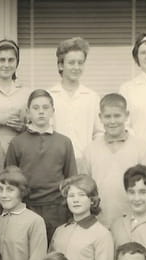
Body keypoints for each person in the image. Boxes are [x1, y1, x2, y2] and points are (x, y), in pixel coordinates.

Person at [5, 89, 77, 243]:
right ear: (28, 112)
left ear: (52, 111)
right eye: (36, 108)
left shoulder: (64, 142)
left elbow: (71, 180)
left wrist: (70, 212)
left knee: (55, 250)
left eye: (45, 107)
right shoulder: (17, 143)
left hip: (57, 209)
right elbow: (9, 182)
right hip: (26, 207)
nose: (41, 112)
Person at [81, 93, 146, 227]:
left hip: (133, 224)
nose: (112, 121)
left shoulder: (141, 148)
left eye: (117, 116)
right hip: (100, 223)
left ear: (126, 115)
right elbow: (84, 191)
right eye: (107, 116)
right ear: (100, 117)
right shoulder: (90, 150)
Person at [50, 175, 113, 260]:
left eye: (81, 195)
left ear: (92, 200)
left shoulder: (102, 234)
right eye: (71, 196)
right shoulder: (60, 231)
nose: (75, 200)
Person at [47, 37, 103, 167]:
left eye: (80, 63)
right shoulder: (49, 96)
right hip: (55, 163)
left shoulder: (92, 97)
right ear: (61, 65)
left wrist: (92, 157)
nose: (76, 67)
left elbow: (99, 132)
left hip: (84, 163)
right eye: (71, 63)